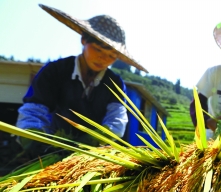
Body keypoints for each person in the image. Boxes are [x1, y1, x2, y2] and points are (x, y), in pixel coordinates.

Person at [15, 4, 148, 159]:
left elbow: (116, 120)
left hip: (92, 156)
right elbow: (33, 110)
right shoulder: (54, 71)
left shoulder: (115, 83)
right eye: (98, 49)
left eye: (111, 55)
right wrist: (36, 141)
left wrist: (90, 141)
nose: (103, 58)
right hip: (49, 150)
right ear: (84, 40)